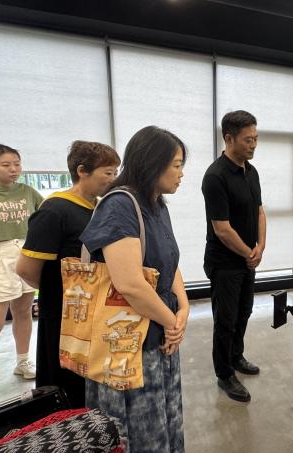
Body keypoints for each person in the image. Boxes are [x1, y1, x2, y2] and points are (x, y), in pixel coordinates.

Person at [79, 126, 189, 452]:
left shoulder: (157, 204)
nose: (181, 173)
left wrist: (183, 308)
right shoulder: (120, 206)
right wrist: (171, 321)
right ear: (154, 163)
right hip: (127, 340)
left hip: (160, 330)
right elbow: (129, 284)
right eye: (177, 165)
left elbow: (169, 262)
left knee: (166, 417)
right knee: (141, 428)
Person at [16, 141, 120, 407]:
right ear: (82, 171)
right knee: (67, 388)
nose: (114, 178)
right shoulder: (55, 210)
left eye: (116, 172)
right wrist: (59, 293)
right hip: (64, 316)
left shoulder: (101, 207)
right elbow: (26, 269)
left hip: (96, 312)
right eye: (108, 172)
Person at [201, 110, 266, 403]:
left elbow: (260, 211)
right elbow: (222, 229)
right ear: (229, 138)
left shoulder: (251, 172)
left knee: (244, 312)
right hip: (225, 263)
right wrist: (249, 253)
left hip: (247, 258)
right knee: (225, 320)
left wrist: (260, 247)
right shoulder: (215, 176)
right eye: (247, 140)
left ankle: (236, 356)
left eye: (255, 139)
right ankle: (224, 373)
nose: (253, 145)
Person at [0, 144, 43, 378]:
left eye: (17, 164)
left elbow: (45, 214)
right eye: (6, 165)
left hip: (25, 251)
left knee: (23, 311)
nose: (14, 169)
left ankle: (23, 361)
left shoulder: (27, 191)